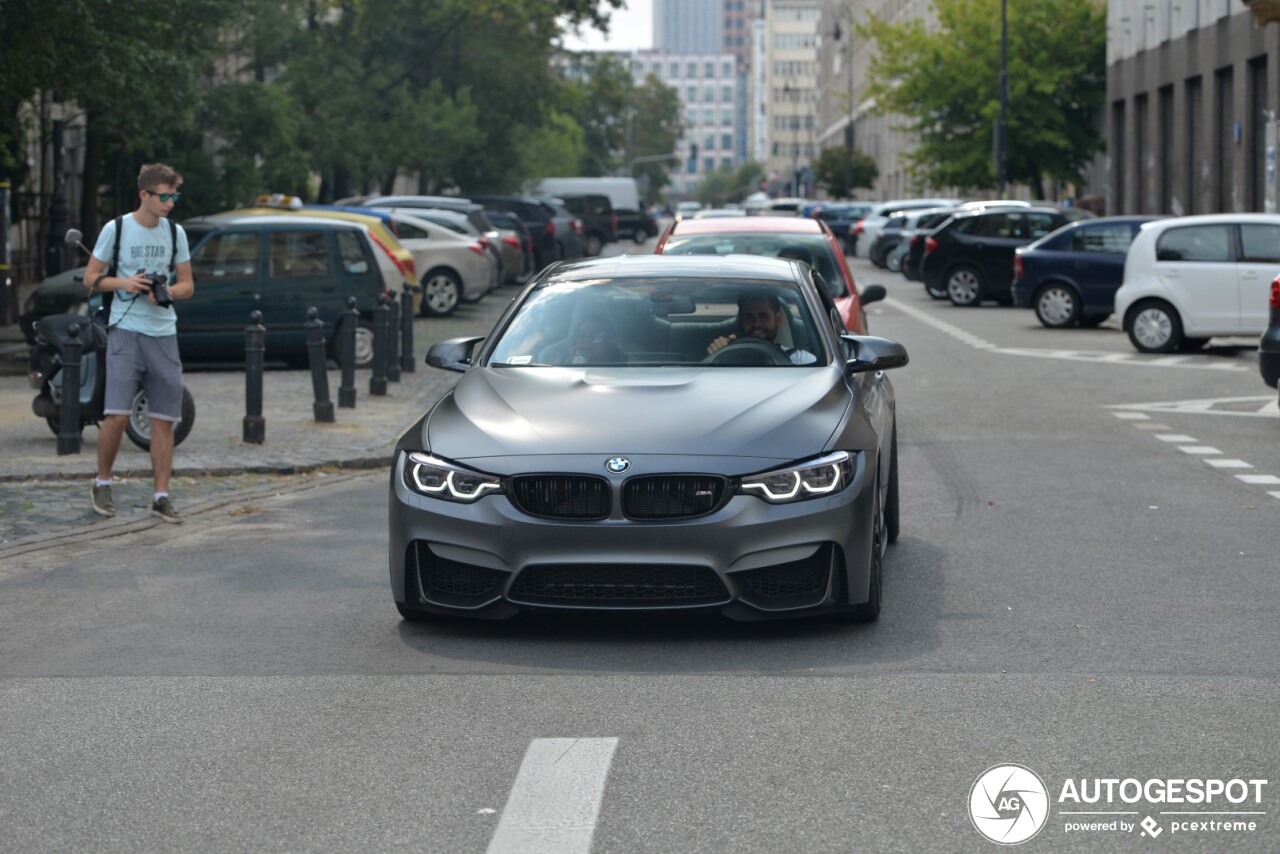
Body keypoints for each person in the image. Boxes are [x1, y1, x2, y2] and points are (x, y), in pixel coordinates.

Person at [83, 163, 195, 523]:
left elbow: (188, 285)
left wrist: (167, 292)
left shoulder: (176, 233)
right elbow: (90, 278)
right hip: (125, 330)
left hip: (164, 332)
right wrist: (126, 284)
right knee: (116, 415)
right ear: (144, 195)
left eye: (174, 196)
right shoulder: (116, 229)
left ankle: (161, 496)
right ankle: (102, 482)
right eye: (164, 196)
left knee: (163, 420)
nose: (170, 203)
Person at [706, 290, 816, 365]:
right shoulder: (725, 356)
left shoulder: (801, 360)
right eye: (748, 317)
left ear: (778, 318)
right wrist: (719, 354)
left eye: (763, 316)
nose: (756, 324)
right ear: (740, 320)